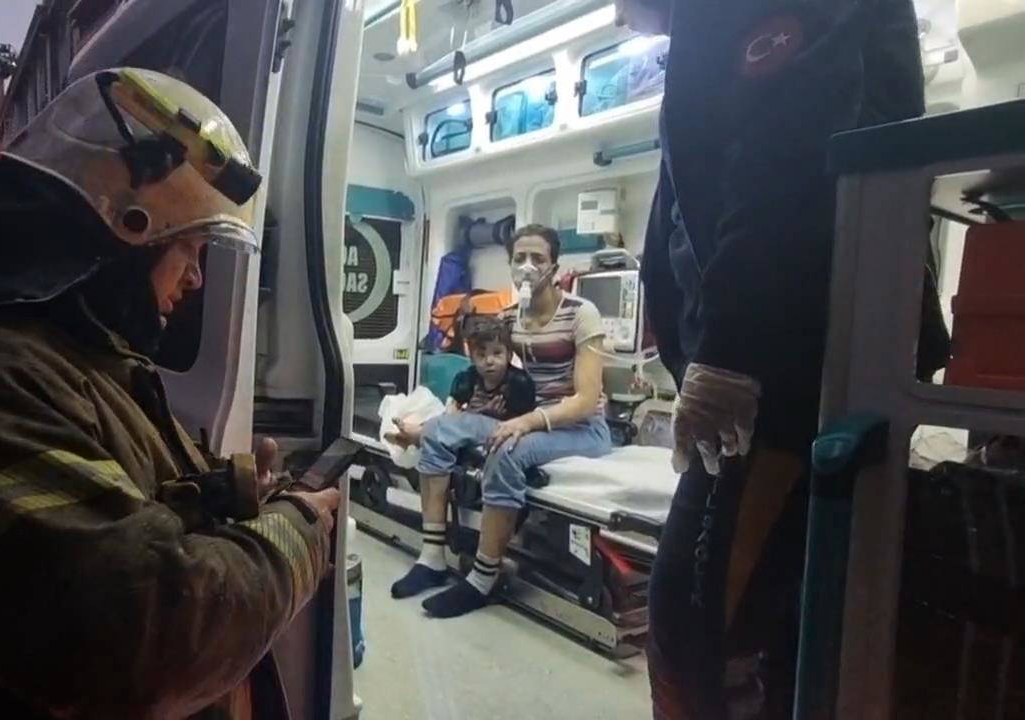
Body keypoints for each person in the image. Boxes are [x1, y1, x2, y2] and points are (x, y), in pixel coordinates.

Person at [0, 68, 338, 720]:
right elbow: (151, 632)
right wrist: (297, 531)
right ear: (126, 230)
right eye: (189, 248)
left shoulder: (72, 363)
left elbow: (105, 505)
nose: (196, 279)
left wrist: (228, 491)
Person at [619, 0, 951, 716]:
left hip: (785, 370)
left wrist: (730, 353)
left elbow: (792, 151)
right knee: (739, 629)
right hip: (765, 363)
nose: (617, 16)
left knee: (706, 632)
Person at [390, 224, 613, 618]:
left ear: (555, 266)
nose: (528, 266)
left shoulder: (581, 314)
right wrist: (455, 413)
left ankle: (482, 578)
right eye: (519, 258)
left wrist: (525, 423)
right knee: (439, 431)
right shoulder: (511, 318)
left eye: (538, 258)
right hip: (526, 417)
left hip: (581, 428)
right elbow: (487, 370)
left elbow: (585, 400)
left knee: (506, 449)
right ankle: (432, 558)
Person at [386, 314, 536, 448]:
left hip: (502, 431)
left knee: (463, 424)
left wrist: (484, 413)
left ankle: (419, 434)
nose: (489, 361)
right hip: (468, 423)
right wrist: (465, 411)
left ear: (509, 355)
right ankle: (420, 433)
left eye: (497, 353)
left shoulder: (518, 383)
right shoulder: (469, 377)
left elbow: (523, 421)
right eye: (481, 355)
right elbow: (453, 409)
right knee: (448, 419)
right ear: (472, 358)